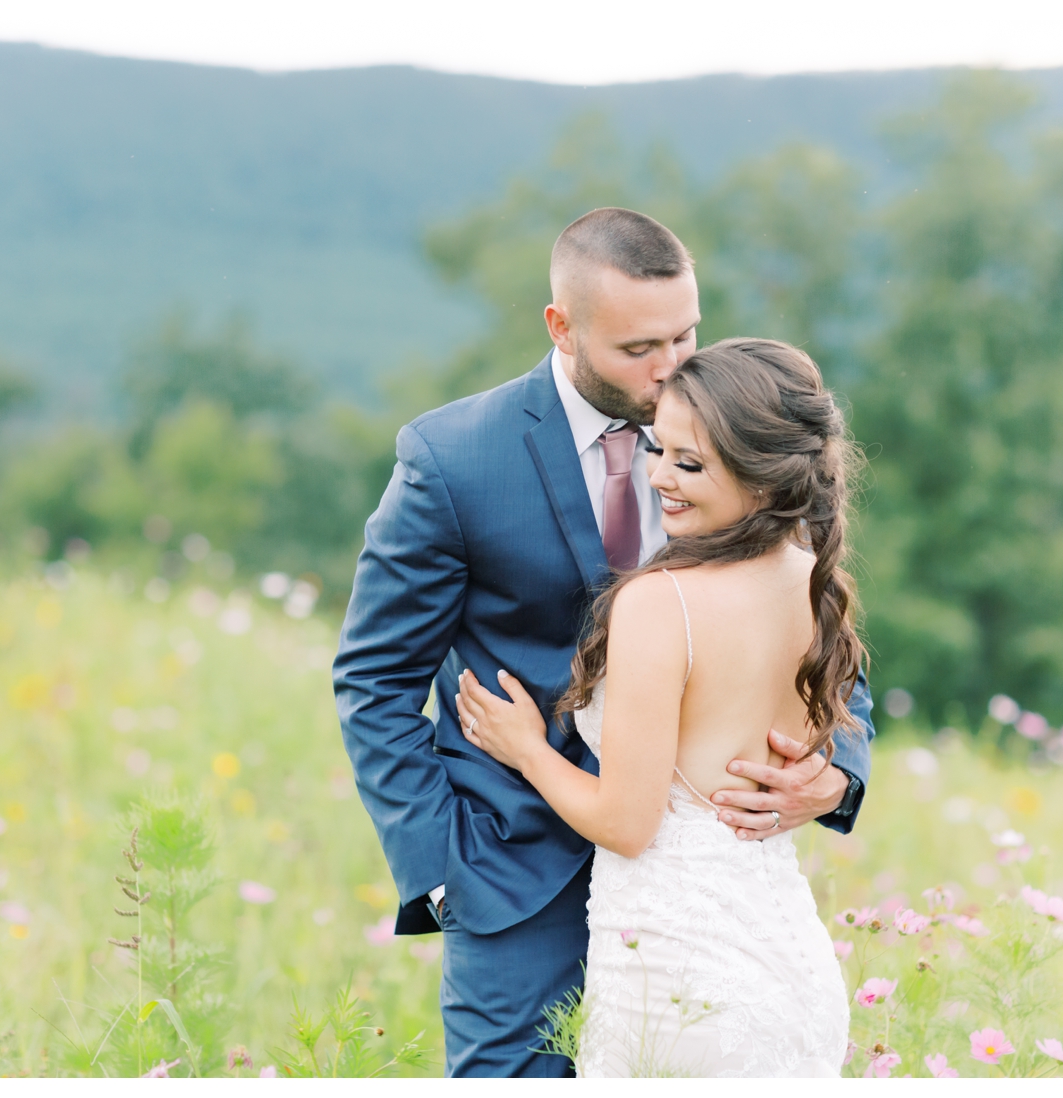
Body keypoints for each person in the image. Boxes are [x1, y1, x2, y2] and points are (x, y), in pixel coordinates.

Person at [333, 208, 874, 1077]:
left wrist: (838, 772)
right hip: (511, 875)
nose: (671, 370)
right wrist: (443, 871)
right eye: (639, 349)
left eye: (685, 334)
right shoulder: (452, 458)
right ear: (563, 327)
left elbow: (814, 605)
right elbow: (373, 680)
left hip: (705, 893)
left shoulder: (736, 427)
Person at [457, 337, 862, 1075]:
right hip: (791, 975)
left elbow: (627, 823)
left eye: (690, 464)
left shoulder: (658, 602)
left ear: (765, 480)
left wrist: (526, 750)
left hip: (679, 982)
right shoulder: (815, 582)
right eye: (658, 450)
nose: (659, 480)